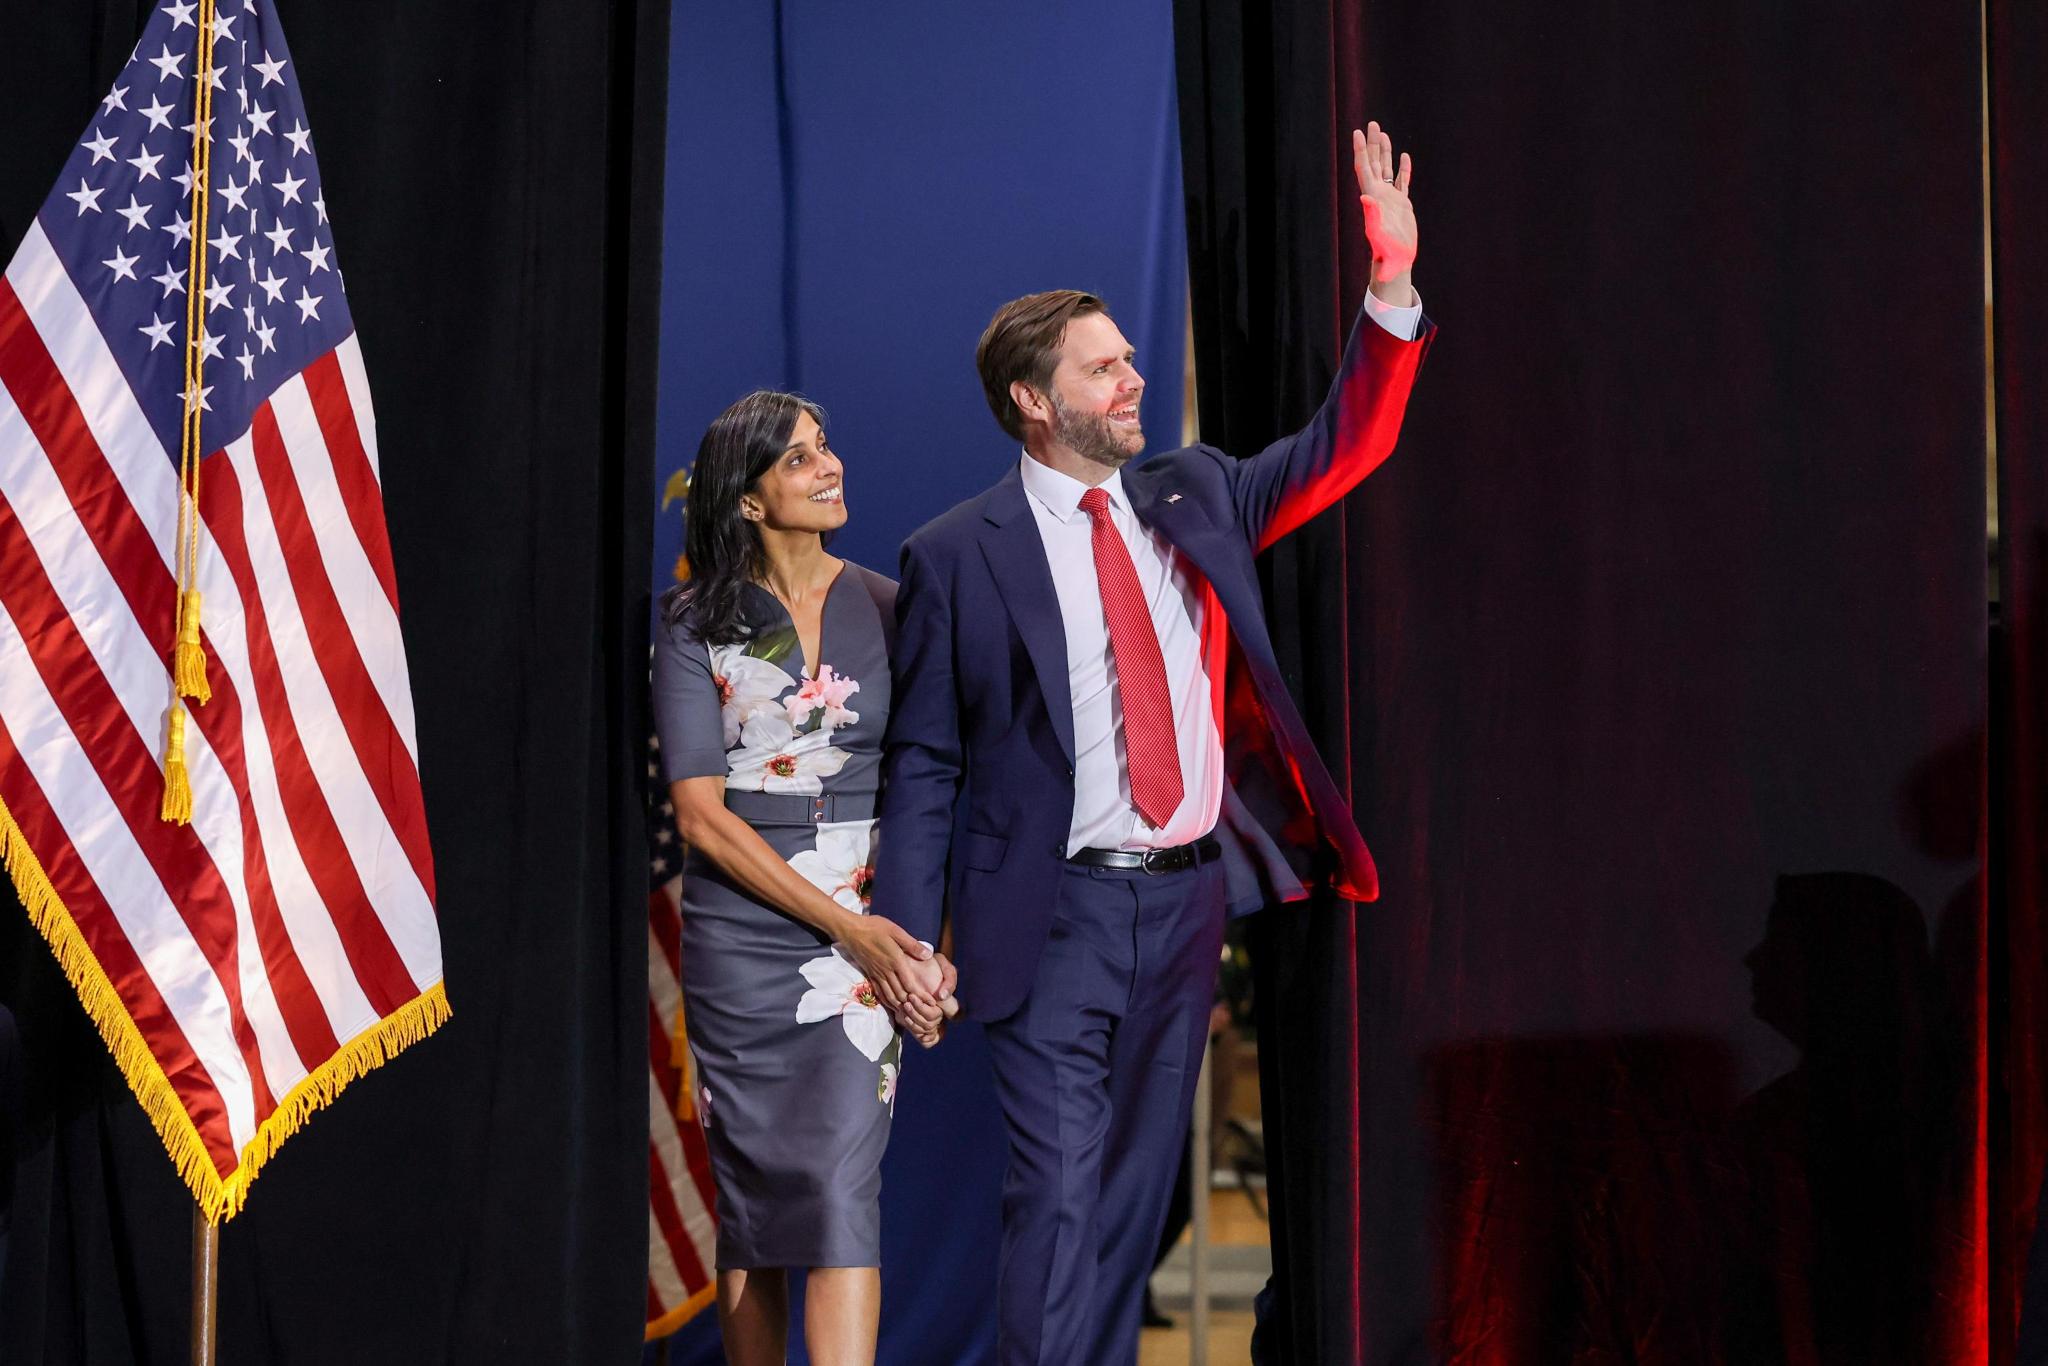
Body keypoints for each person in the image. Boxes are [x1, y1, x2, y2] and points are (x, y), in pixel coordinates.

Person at [872, 123, 1429, 1363]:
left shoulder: (1198, 490)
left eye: (1129, 361)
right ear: (1034, 401)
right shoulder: (956, 553)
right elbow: (922, 762)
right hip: (1051, 916)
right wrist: (906, 942)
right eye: (1104, 369)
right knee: (1057, 1201)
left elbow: (1349, 444)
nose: (1132, 382)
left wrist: (1387, 290)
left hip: (1182, 915)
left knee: (1129, 1210)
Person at [652, 390, 953, 1366]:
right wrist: (848, 925)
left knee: (836, 1192)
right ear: (746, 498)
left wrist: (912, 935)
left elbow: (936, 781)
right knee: (753, 1208)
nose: (828, 468)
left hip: (863, 943)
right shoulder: (694, 620)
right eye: (797, 459)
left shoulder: (893, 606)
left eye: (826, 448)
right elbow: (699, 813)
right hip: (741, 945)